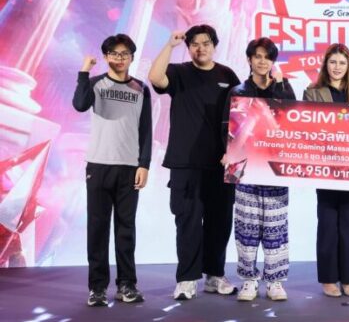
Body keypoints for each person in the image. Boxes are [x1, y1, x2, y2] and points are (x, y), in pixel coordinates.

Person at [149, 25, 240, 300]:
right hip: (184, 162)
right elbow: (155, 78)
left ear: (214, 45)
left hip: (221, 163)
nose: (201, 48)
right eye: (195, 44)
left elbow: (242, 116)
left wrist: (235, 152)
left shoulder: (227, 76)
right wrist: (170, 45)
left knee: (220, 222)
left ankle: (214, 275)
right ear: (188, 48)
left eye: (206, 43)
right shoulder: (179, 72)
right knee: (187, 220)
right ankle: (187, 279)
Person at [72, 34, 151, 307]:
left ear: (131, 57)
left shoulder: (141, 89)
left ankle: (127, 284)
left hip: (129, 168)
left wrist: (144, 164)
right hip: (98, 165)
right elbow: (79, 104)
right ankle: (97, 288)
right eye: (114, 53)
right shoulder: (95, 83)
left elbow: (146, 130)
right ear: (106, 56)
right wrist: (84, 72)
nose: (119, 58)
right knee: (97, 228)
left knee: (126, 229)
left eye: (124, 53)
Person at [222, 37, 295, 302]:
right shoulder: (238, 91)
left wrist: (280, 84)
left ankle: (275, 280)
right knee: (247, 226)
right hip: (246, 168)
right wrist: (227, 153)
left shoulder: (283, 89)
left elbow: (293, 119)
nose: (263, 61)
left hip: (276, 168)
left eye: (268, 57)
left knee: (275, 226)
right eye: (258, 56)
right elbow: (226, 127)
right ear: (250, 60)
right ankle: (249, 280)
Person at [303, 43, 349, 298]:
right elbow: (307, 128)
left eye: (342, 62)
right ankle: (329, 279)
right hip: (326, 164)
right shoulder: (312, 92)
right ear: (325, 65)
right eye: (333, 62)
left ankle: (348, 279)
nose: (337, 67)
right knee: (328, 222)